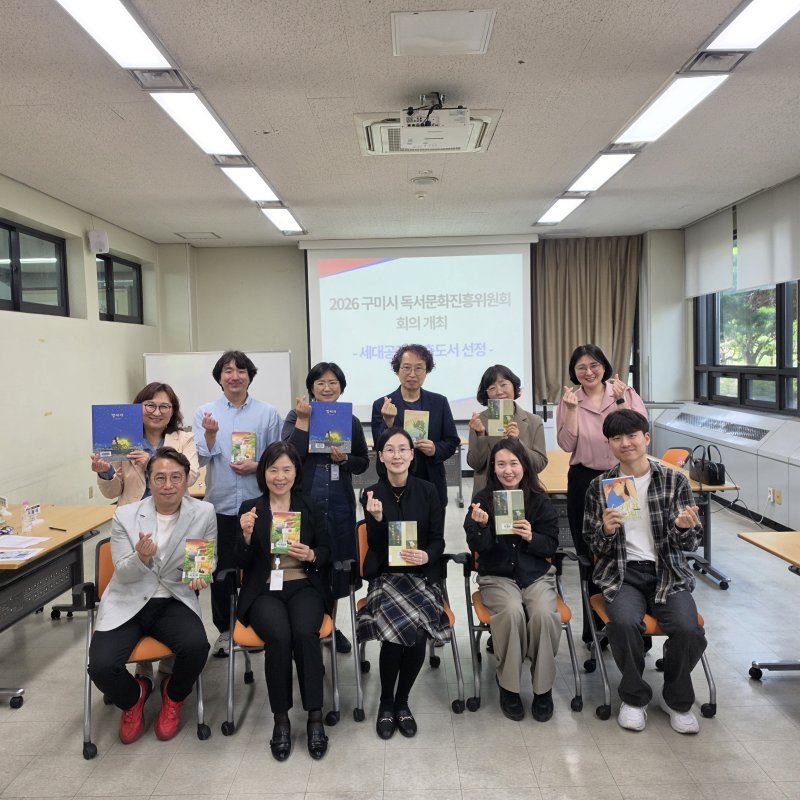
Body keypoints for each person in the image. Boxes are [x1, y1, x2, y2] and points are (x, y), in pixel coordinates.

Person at [583, 409, 707, 734]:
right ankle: (634, 698)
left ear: (646, 438)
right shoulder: (602, 486)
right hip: (622, 573)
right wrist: (606, 530)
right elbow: (592, 541)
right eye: (616, 438)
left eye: (632, 435)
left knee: (690, 630)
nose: (625, 443)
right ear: (609, 444)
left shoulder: (673, 480)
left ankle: (676, 699)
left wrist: (683, 528)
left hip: (667, 572)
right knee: (623, 624)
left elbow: (692, 541)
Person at [87, 447, 216, 744]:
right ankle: (133, 698)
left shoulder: (203, 512)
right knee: (101, 667)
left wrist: (201, 573)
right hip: (128, 599)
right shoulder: (126, 515)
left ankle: (173, 696)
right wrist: (141, 558)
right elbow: (123, 572)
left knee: (197, 647)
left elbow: (207, 557)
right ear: (149, 479)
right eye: (160, 477)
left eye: (175, 477)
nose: (168, 485)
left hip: (173, 597)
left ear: (186, 480)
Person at [237, 442, 332, 761]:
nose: (280, 476)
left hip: (303, 584)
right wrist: (246, 536)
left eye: (286, 469)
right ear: (263, 473)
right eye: (273, 469)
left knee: (305, 633)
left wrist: (312, 554)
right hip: (264, 589)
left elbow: (327, 550)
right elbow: (240, 561)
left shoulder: (309, 505)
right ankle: (281, 720)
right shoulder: (251, 508)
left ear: (296, 473)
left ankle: (315, 717)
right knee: (278, 636)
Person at [359, 427, 450, 740]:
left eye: (402, 449)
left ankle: (402, 701)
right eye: (390, 449)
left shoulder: (428, 491)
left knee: (418, 632)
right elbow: (374, 546)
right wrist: (377, 520)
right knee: (394, 632)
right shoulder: (371, 494)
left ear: (412, 455)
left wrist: (426, 555)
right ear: (381, 457)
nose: (396, 455)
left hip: (420, 575)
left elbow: (438, 540)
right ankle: (386, 701)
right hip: (386, 576)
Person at [464, 438, 561, 722]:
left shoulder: (540, 500)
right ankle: (509, 687)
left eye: (514, 463)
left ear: (524, 466)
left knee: (543, 614)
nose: (508, 470)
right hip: (497, 576)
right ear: (493, 468)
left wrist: (532, 537)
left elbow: (551, 545)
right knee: (511, 612)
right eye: (501, 464)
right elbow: (477, 547)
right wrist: (483, 526)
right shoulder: (482, 499)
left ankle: (543, 689)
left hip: (535, 575)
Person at [556, 344, 647, 644]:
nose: (589, 372)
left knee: (627, 548)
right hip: (585, 480)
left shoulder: (624, 392)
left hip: (620, 478)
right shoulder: (570, 400)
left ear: (604, 366)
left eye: (594, 365)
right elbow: (566, 445)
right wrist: (571, 411)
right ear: (574, 372)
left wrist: (620, 400)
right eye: (581, 367)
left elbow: (638, 432)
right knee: (590, 553)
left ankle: (635, 627)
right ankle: (595, 631)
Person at [194, 350, 283, 657]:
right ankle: (225, 630)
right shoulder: (205, 412)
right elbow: (199, 459)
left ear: (249, 376)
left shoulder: (268, 412)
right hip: (218, 504)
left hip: (257, 504)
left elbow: (276, 458)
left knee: (259, 568)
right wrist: (210, 435)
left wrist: (257, 466)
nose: (235, 376)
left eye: (241, 370)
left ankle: (256, 624)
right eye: (228, 371)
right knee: (221, 571)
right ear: (219, 378)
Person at [282, 362, 369, 654]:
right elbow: (288, 456)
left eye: (333, 383)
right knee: (304, 565)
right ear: (311, 388)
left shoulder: (350, 421)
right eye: (320, 383)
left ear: (341, 387)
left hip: (339, 504)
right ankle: (306, 624)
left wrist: (345, 460)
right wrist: (303, 421)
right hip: (304, 503)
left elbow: (363, 463)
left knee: (335, 566)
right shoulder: (296, 415)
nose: (327, 388)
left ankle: (329, 624)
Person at [371, 344, 459, 514]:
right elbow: (379, 446)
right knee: (398, 530)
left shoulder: (439, 402)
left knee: (433, 529)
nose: (412, 374)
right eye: (406, 368)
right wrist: (388, 422)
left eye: (419, 368)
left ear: (426, 372)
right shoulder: (382, 405)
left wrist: (435, 449)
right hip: (395, 485)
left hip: (432, 482)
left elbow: (451, 441)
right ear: (397, 370)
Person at [91, 382, 199, 505]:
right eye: (150, 405)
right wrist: (106, 472)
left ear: (173, 411)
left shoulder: (185, 439)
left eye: (164, 407)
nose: (157, 413)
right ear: (137, 408)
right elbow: (111, 493)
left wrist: (152, 464)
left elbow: (191, 477)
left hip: (173, 510)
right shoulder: (122, 440)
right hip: (133, 513)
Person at [467, 364, 548, 497]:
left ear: (514, 386)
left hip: (525, 492)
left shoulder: (534, 421)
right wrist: (481, 435)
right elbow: (475, 464)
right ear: (486, 394)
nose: (499, 392)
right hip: (487, 493)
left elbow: (539, 465)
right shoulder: (479, 421)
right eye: (492, 388)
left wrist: (518, 442)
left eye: (503, 384)